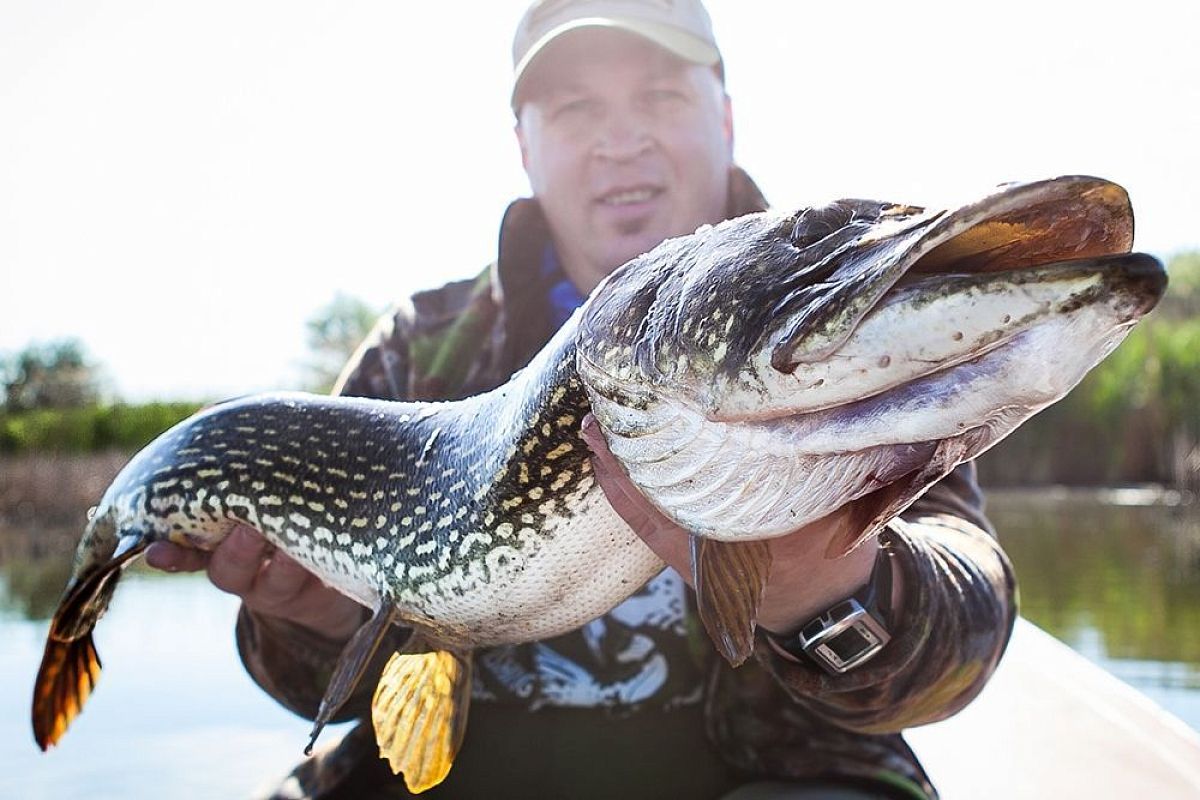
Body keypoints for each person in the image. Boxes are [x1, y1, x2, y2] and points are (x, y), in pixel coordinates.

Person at [147, 2, 1016, 797]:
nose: (620, 140)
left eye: (660, 95)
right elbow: (316, 697)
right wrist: (318, 618)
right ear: (523, 144)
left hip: (775, 771)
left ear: (724, 117)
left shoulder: (830, 320)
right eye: (574, 109)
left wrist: (823, 593)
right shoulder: (421, 348)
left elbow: (964, 645)